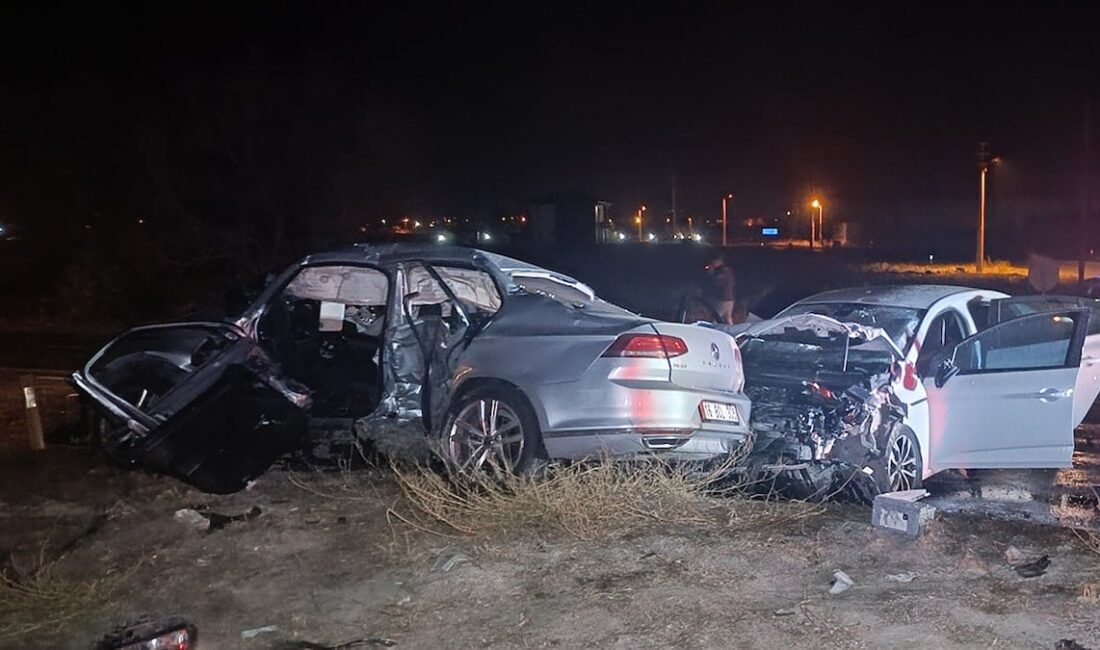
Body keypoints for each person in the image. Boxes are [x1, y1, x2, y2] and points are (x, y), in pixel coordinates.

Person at [702, 256, 736, 325]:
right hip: (730, 299)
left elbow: (717, 283)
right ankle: (731, 332)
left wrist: (711, 273)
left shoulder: (722, 272)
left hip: (723, 299)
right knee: (728, 317)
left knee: (716, 318)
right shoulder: (729, 271)